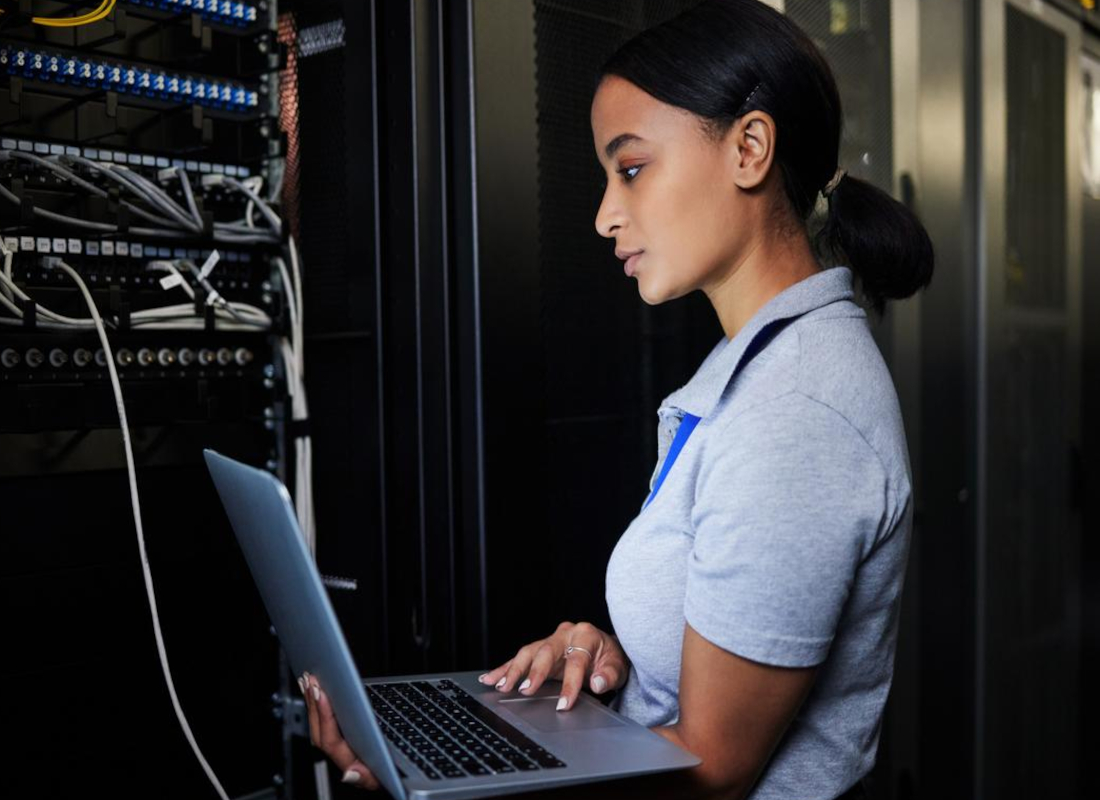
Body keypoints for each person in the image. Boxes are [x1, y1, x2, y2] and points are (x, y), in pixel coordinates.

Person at [300, 0, 933, 797]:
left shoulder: (797, 410)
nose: (604, 215)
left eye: (630, 168)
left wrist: (474, 777)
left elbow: (712, 771)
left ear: (750, 147)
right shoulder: (761, 372)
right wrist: (611, 656)